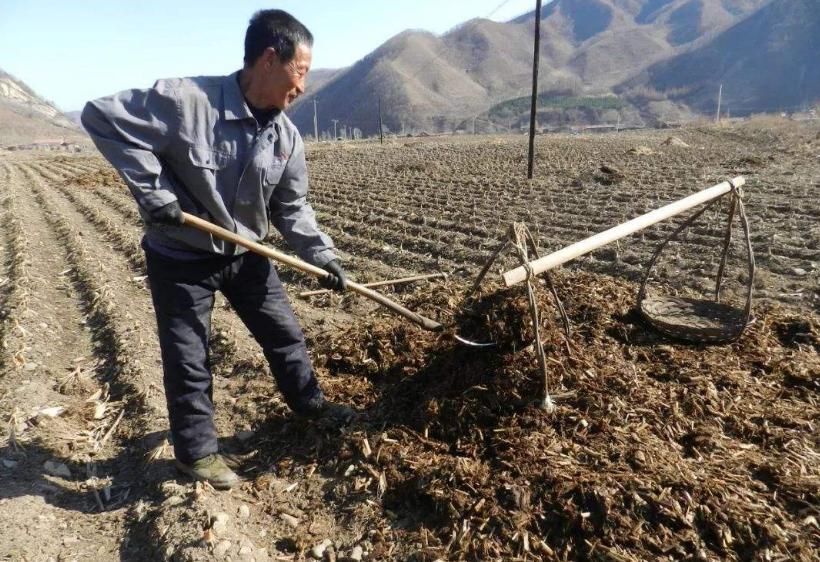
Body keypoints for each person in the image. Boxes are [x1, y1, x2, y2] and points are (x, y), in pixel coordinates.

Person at [81, 9, 352, 490]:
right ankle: (198, 455)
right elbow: (102, 116)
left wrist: (322, 254)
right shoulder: (186, 102)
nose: (303, 86)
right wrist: (153, 191)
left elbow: (292, 207)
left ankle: (311, 405)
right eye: (302, 71)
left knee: (284, 334)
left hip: (246, 254)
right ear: (270, 59)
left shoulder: (286, 137)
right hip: (181, 258)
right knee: (189, 357)